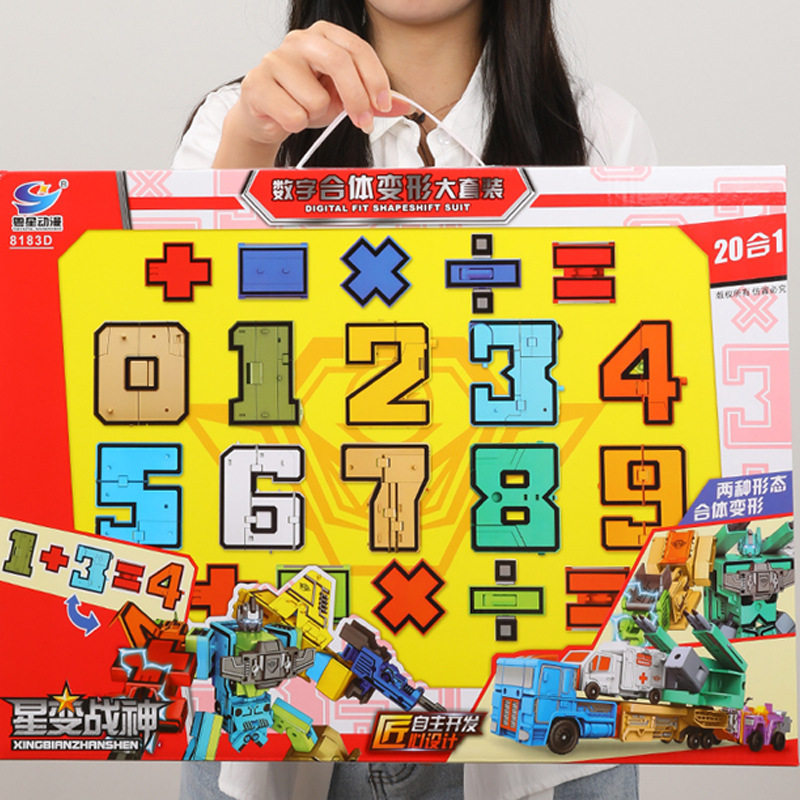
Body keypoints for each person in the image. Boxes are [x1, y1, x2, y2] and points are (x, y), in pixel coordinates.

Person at [176, 2, 650, 797]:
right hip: (288, 700)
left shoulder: (600, 132)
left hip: (534, 700)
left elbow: (618, 417)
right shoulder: (243, 121)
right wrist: (251, 147)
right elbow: (187, 379)